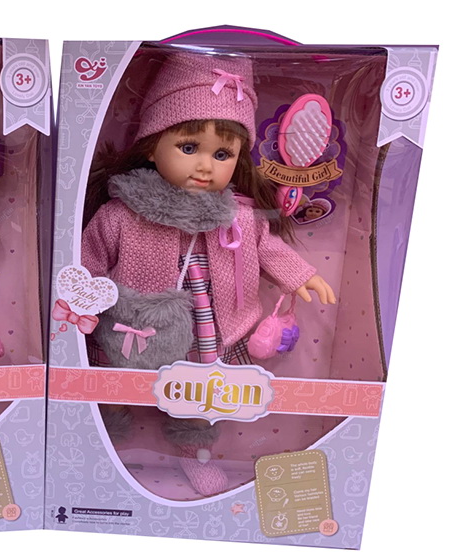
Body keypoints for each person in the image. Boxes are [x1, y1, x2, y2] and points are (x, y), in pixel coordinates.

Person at [81, 50, 335, 496]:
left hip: (207, 334)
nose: (205, 166)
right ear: (151, 146)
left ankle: (194, 454)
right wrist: (77, 304)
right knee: (116, 389)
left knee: (200, 399)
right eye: (188, 148)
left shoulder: (239, 218)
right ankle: (101, 445)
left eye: (222, 154)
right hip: (135, 329)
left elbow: (267, 247)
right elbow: (89, 261)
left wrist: (301, 275)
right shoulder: (120, 215)